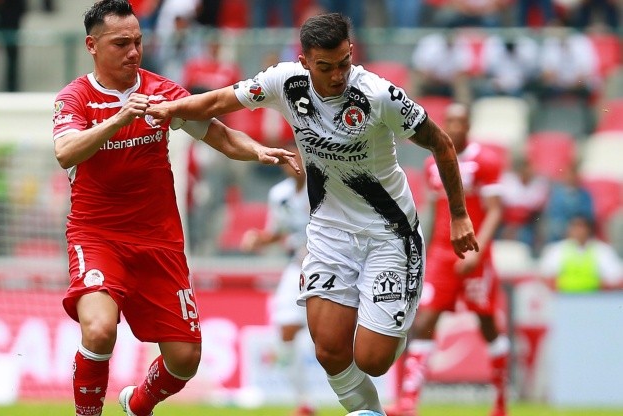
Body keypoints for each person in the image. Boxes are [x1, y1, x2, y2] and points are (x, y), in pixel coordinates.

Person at [147, 12, 479, 414]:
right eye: (326, 67)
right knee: (329, 350)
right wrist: (171, 108)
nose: (338, 75)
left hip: (390, 235)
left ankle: (391, 319)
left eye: (344, 63)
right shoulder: (284, 82)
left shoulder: (378, 95)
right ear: (304, 62)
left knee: (373, 359)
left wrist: (459, 214)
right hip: (329, 233)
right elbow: (219, 100)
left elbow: (442, 143)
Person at [51, 2, 299, 416]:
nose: (133, 52)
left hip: (158, 240)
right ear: (92, 46)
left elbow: (215, 133)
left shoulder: (162, 92)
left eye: (138, 42)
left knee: (185, 359)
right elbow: (65, 152)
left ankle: (139, 404)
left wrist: (258, 151)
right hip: (97, 236)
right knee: (98, 330)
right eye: (121, 44)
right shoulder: (74, 97)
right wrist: (116, 119)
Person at [387, 103, 509, 416]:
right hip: (442, 255)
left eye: (460, 121)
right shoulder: (433, 164)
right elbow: (434, 212)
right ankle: (409, 402)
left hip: (474, 254)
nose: (454, 126)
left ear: (469, 126)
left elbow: (495, 209)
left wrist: (477, 250)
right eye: (450, 121)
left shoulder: (485, 161)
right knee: (425, 322)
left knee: (487, 324)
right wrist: (421, 251)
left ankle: (500, 400)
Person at [239, 144, 315, 416]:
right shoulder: (279, 195)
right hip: (297, 267)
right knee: (285, 332)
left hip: (331, 266)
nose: (293, 164)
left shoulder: (324, 187)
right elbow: (277, 231)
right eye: (287, 159)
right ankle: (304, 403)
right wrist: (258, 238)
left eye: (299, 158)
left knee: (333, 336)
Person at [539, 215, 623, 292]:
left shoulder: (602, 250)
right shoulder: (557, 250)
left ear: (589, 229)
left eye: (581, 227)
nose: (578, 231)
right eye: (574, 226)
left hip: (595, 300)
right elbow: (545, 277)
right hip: (563, 300)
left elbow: (615, 278)